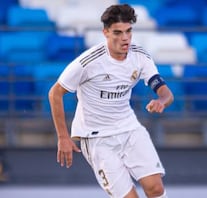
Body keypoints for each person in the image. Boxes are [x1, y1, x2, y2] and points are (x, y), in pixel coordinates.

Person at [48, 4, 173, 198]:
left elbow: (166, 94)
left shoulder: (140, 56)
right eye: (118, 32)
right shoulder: (88, 62)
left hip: (129, 129)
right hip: (97, 138)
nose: (125, 38)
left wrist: (161, 102)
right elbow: (55, 93)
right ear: (105, 32)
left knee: (155, 189)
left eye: (129, 31)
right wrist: (63, 137)